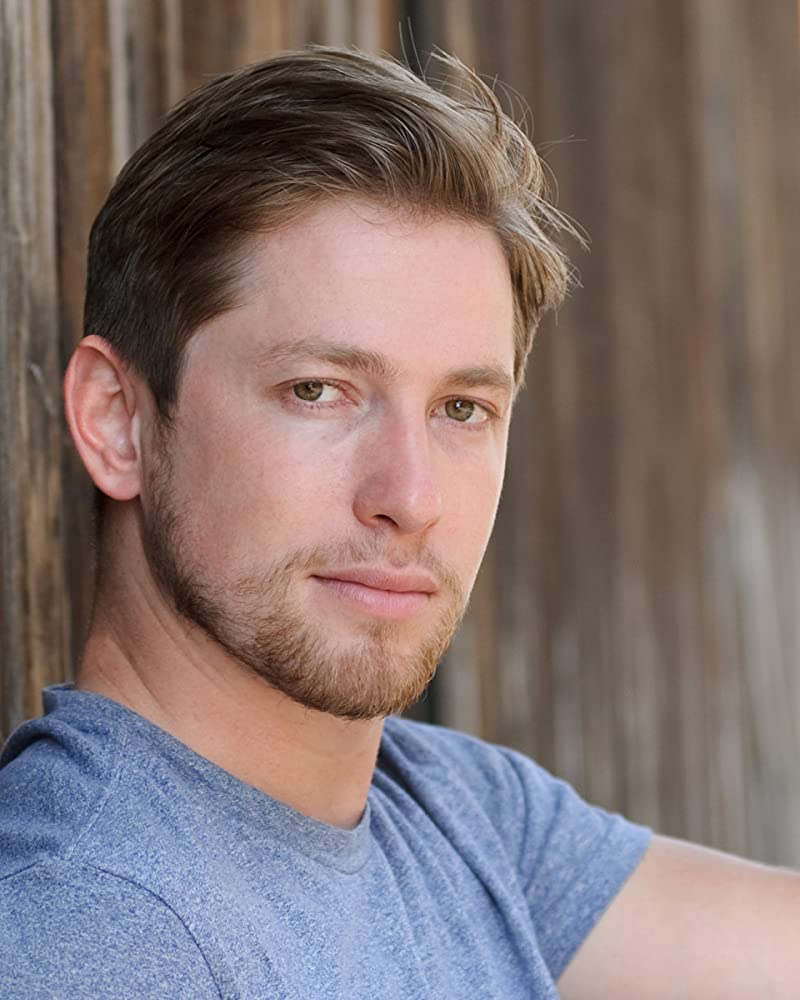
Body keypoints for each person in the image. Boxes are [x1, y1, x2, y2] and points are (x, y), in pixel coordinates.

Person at [0, 44, 797, 1000]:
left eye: (462, 408)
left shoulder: (453, 821)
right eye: (319, 390)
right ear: (117, 421)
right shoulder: (94, 930)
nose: (411, 498)